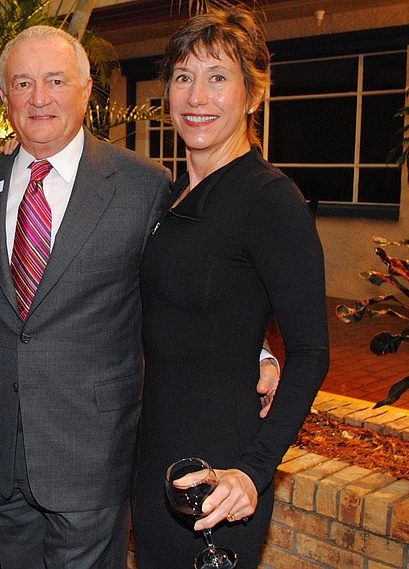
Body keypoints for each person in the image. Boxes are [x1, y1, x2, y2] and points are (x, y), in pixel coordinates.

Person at [0, 25, 281, 569]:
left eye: (56, 80)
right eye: (23, 83)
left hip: (92, 455)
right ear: (5, 96)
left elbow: (185, 287)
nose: (39, 97)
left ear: (86, 91)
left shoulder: (143, 185)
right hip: (3, 459)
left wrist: (258, 351)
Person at [131, 8, 329, 569]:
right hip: (155, 461)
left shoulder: (270, 200)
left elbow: (313, 352)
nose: (197, 95)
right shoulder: (170, 197)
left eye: (218, 77)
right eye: (183, 76)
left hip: (221, 474)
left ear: (252, 94)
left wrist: (253, 471)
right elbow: (199, 303)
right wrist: (261, 351)